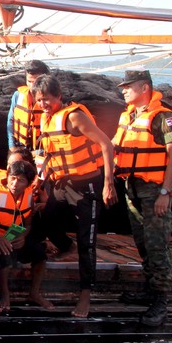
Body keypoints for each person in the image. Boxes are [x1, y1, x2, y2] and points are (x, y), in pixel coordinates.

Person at [33, 74, 116, 318]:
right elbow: (50, 153)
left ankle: (85, 295)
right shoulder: (47, 119)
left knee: (86, 241)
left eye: (47, 99)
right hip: (61, 182)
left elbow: (106, 145)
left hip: (86, 185)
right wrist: (40, 179)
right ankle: (66, 246)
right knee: (45, 217)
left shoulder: (74, 117)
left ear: (58, 96)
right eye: (39, 100)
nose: (43, 104)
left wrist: (108, 184)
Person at [113, 70, 172, 326]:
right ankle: (150, 289)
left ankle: (161, 301)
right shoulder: (128, 116)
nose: (123, 91)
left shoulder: (164, 117)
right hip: (132, 188)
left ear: (144, 88)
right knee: (142, 243)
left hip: (155, 191)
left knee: (157, 245)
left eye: (128, 86)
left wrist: (166, 192)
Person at [0, 160, 50, 312]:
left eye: (21, 180)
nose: (15, 184)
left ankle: (34, 293)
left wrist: (23, 236)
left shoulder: (29, 197)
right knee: (5, 254)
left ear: (28, 183)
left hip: (12, 235)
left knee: (39, 253)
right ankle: (4, 294)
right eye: (12, 178)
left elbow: (28, 224)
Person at [7, 60, 50, 152]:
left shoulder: (51, 99)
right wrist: (11, 145)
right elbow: (10, 121)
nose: (32, 86)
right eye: (29, 81)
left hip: (43, 148)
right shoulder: (18, 95)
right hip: (20, 146)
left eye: (36, 82)